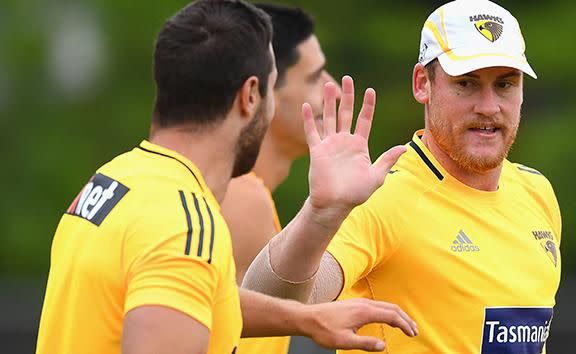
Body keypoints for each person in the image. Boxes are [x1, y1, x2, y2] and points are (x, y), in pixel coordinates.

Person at [34, 1, 418, 354]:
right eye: (269, 88)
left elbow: (193, 292)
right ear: (250, 95)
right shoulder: (186, 222)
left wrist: (305, 318)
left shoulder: (115, 177)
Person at [243, 0, 562, 353]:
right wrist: (320, 215)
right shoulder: (382, 196)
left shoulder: (537, 193)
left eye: (505, 85)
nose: (488, 106)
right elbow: (267, 303)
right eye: (466, 84)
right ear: (422, 84)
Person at [220, 4, 340, 354]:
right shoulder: (242, 200)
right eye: (316, 77)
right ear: (265, 88)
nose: (333, 87)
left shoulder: (245, 193)